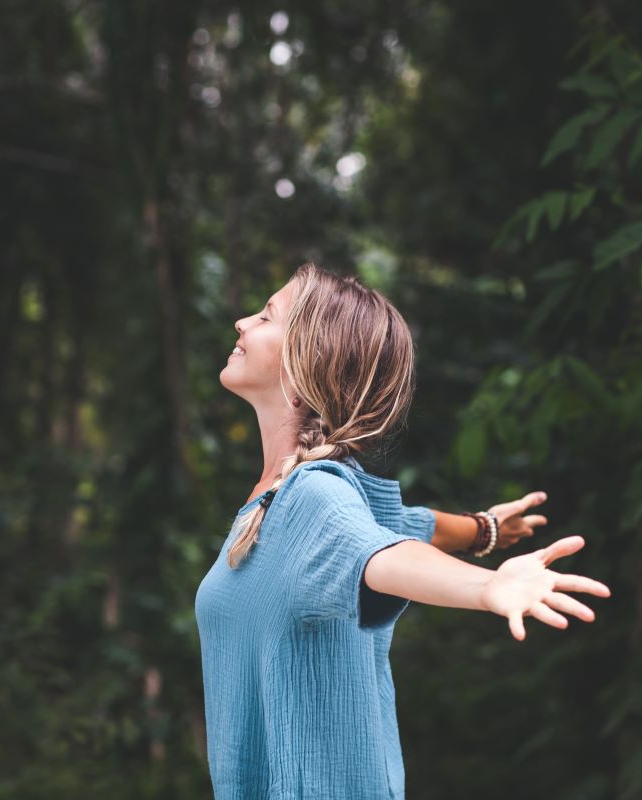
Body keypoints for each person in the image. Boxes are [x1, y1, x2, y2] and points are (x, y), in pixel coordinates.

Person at [194, 262, 611, 799]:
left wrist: (485, 588)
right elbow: (401, 526)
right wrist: (482, 530)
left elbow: (385, 555)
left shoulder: (314, 497)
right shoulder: (278, 501)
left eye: (266, 315)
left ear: (303, 367)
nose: (241, 323)